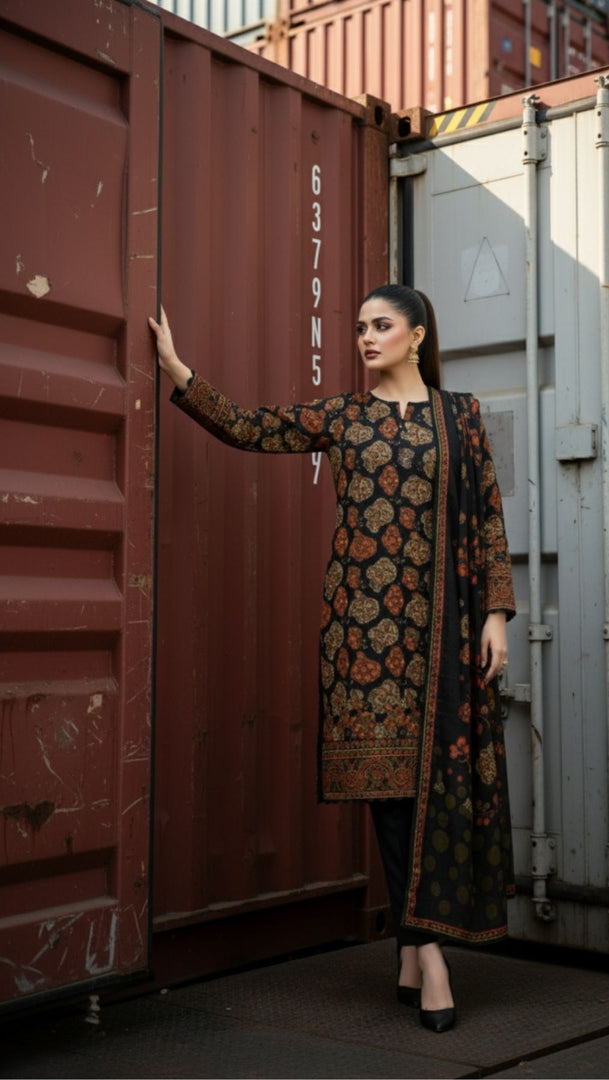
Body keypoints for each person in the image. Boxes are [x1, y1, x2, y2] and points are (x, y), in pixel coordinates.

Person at [149, 284, 515, 1033]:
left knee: (438, 785)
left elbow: (487, 518)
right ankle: (430, 955)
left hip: (443, 631)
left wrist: (497, 615)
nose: (366, 338)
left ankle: (412, 947)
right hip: (363, 631)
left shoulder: (461, 415)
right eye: (359, 328)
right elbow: (251, 428)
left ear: (418, 335)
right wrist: (179, 372)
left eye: (382, 326)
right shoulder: (345, 416)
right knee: (389, 789)